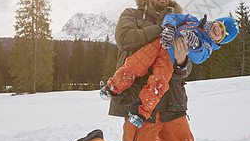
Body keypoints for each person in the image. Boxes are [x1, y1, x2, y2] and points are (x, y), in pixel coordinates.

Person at [66, 0, 194, 141]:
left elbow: (186, 70)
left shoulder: (181, 22)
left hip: (173, 103)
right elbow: (124, 39)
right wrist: (162, 30)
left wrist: (181, 60)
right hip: (140, 105)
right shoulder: (131, 15)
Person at [99, 13, 239, 129]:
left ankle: (140, 112)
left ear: (220, 40)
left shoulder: (207, 46)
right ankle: (113, 87)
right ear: (216, 22)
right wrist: (170, 27)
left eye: (222, 33)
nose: (218, 30)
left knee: (158, 84)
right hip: (159, 43)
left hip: (169, 59)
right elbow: (173, 17)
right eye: (219, 26)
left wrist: (196, 44)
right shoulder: (193, 20)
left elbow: (199, 57)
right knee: (135, 63)